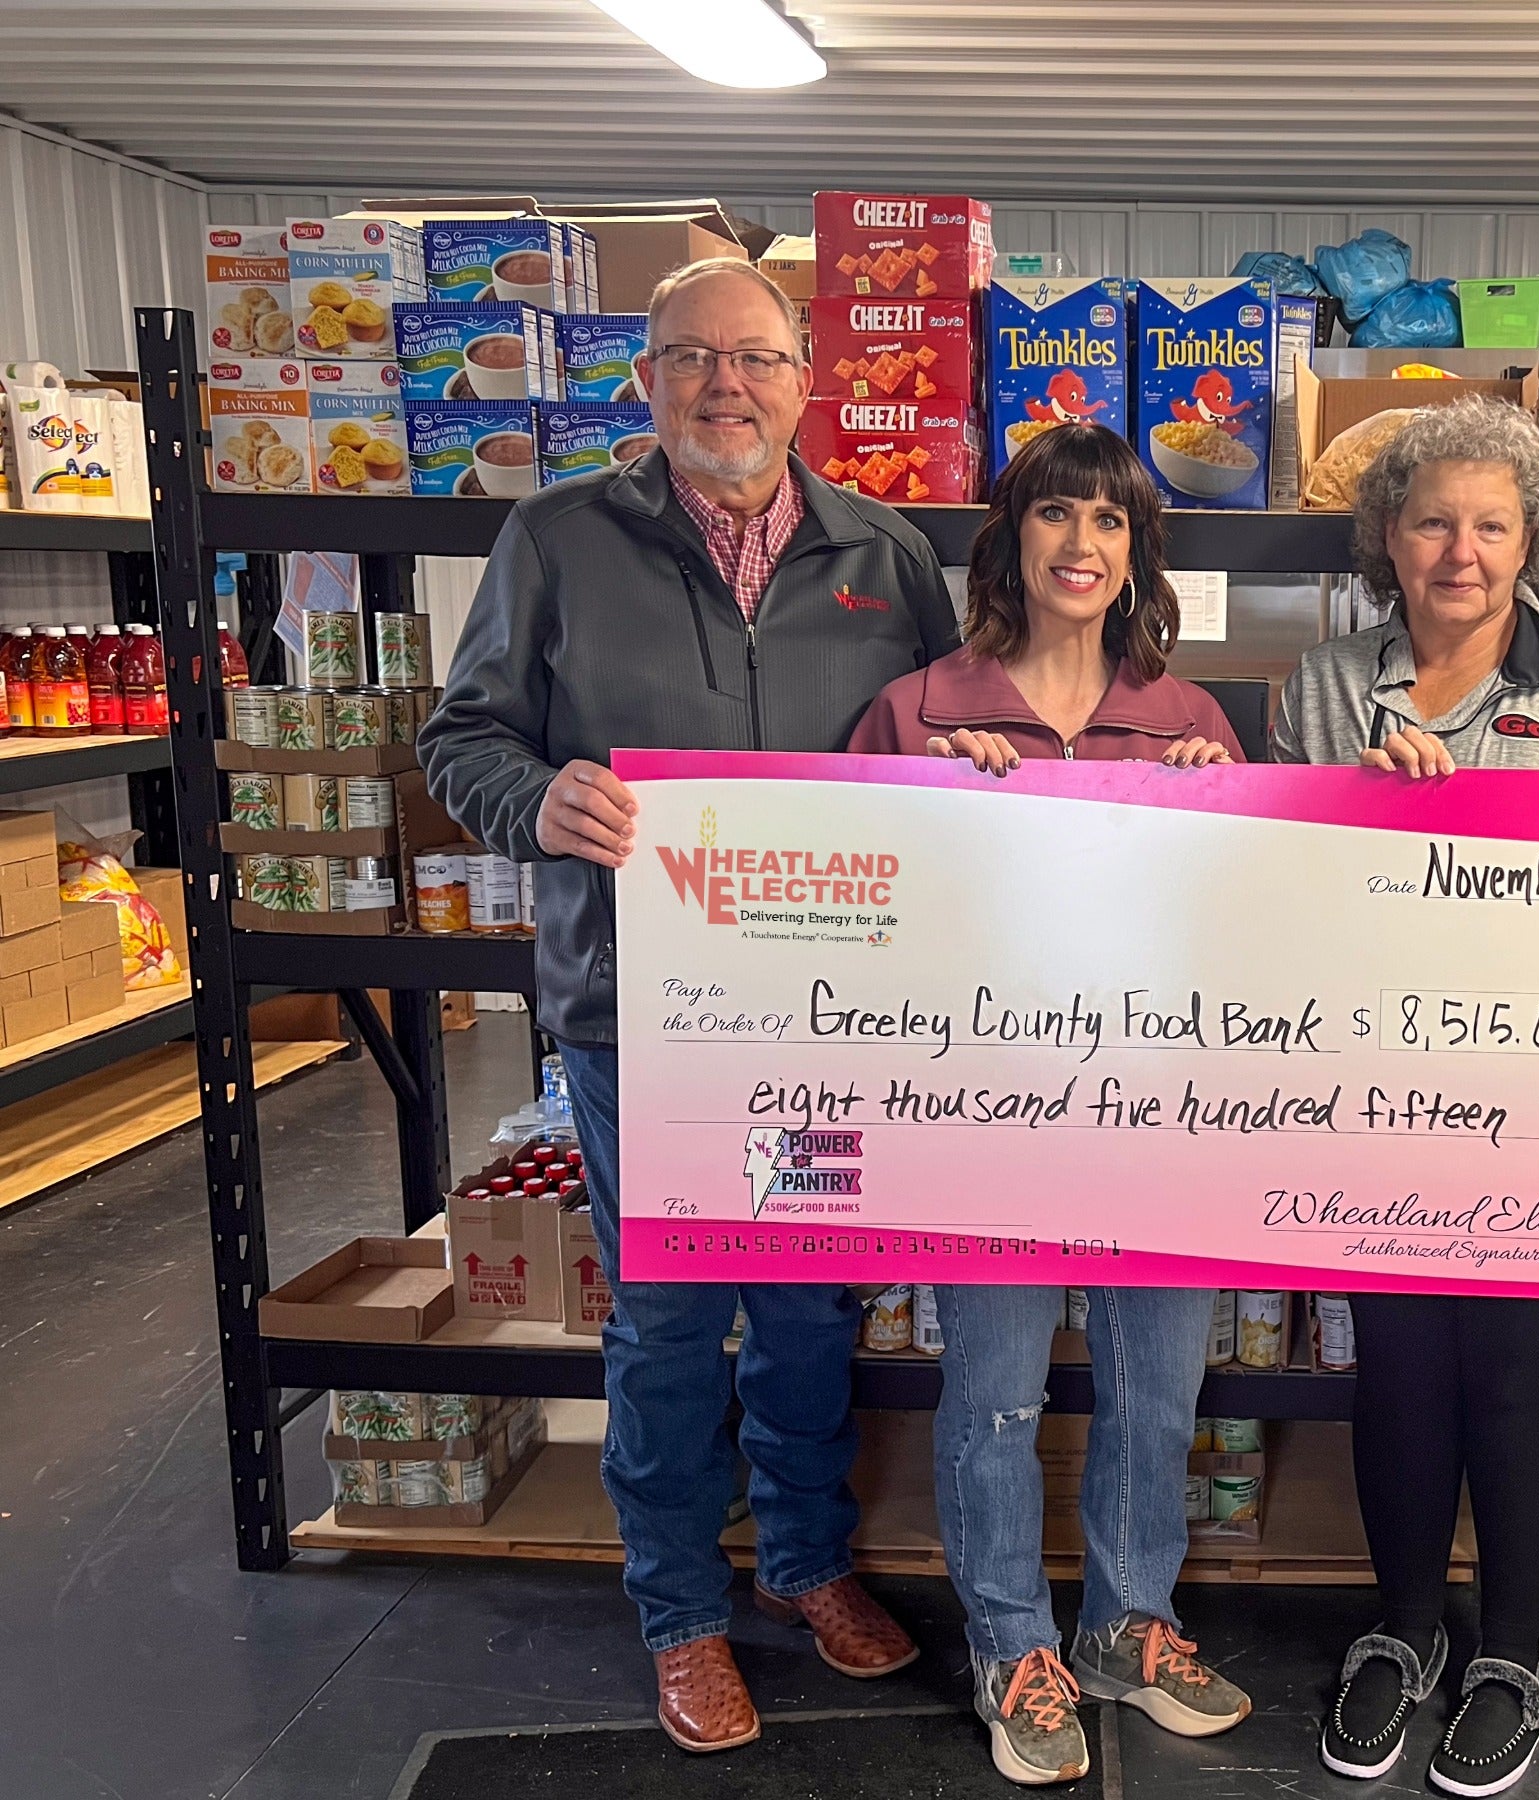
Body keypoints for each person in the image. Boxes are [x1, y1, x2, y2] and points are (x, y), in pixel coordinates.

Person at [419, 256, 960, 1755]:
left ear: (805, 384)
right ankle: (678, 1610)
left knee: (801, 1314)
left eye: (758, 359)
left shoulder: (887, 552)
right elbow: (458, 737)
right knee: (664, 1326)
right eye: (692, 359)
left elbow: (941, 745)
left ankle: (803, 1565)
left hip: (829, 1024)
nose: (728, 385)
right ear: (643, 381)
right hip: (639, 1018)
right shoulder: (556, 538)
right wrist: (540, 800)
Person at [1271, 394, 1539, 1798]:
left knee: (1512, 1370)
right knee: (1398, 1367)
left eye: (1491, 525)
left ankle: (1511, 1645)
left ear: (1531, 541)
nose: (1462, 551)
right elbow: (1279, 896)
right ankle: (1403, 1628)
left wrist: (1466, 831)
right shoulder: (1322, 686)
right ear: (1388, 535)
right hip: (1378, 1085)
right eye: (1433, 520)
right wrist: (1363, 820)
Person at [849, 422, 1252, 1788]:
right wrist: (929, 810)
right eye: (1055, 516)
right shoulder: (919, 710)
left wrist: (1221, 816)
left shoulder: (1191, 720)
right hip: (987, 1125)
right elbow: (845, 916)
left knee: (1157, 1387)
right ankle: (1013, 1642)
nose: (1082, 546)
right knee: (997, 1396)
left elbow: (1248, 944)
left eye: (1112, 522)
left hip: (1158, 1119)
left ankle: (1131, 1626)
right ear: (1010, 538)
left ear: (1141, 552)